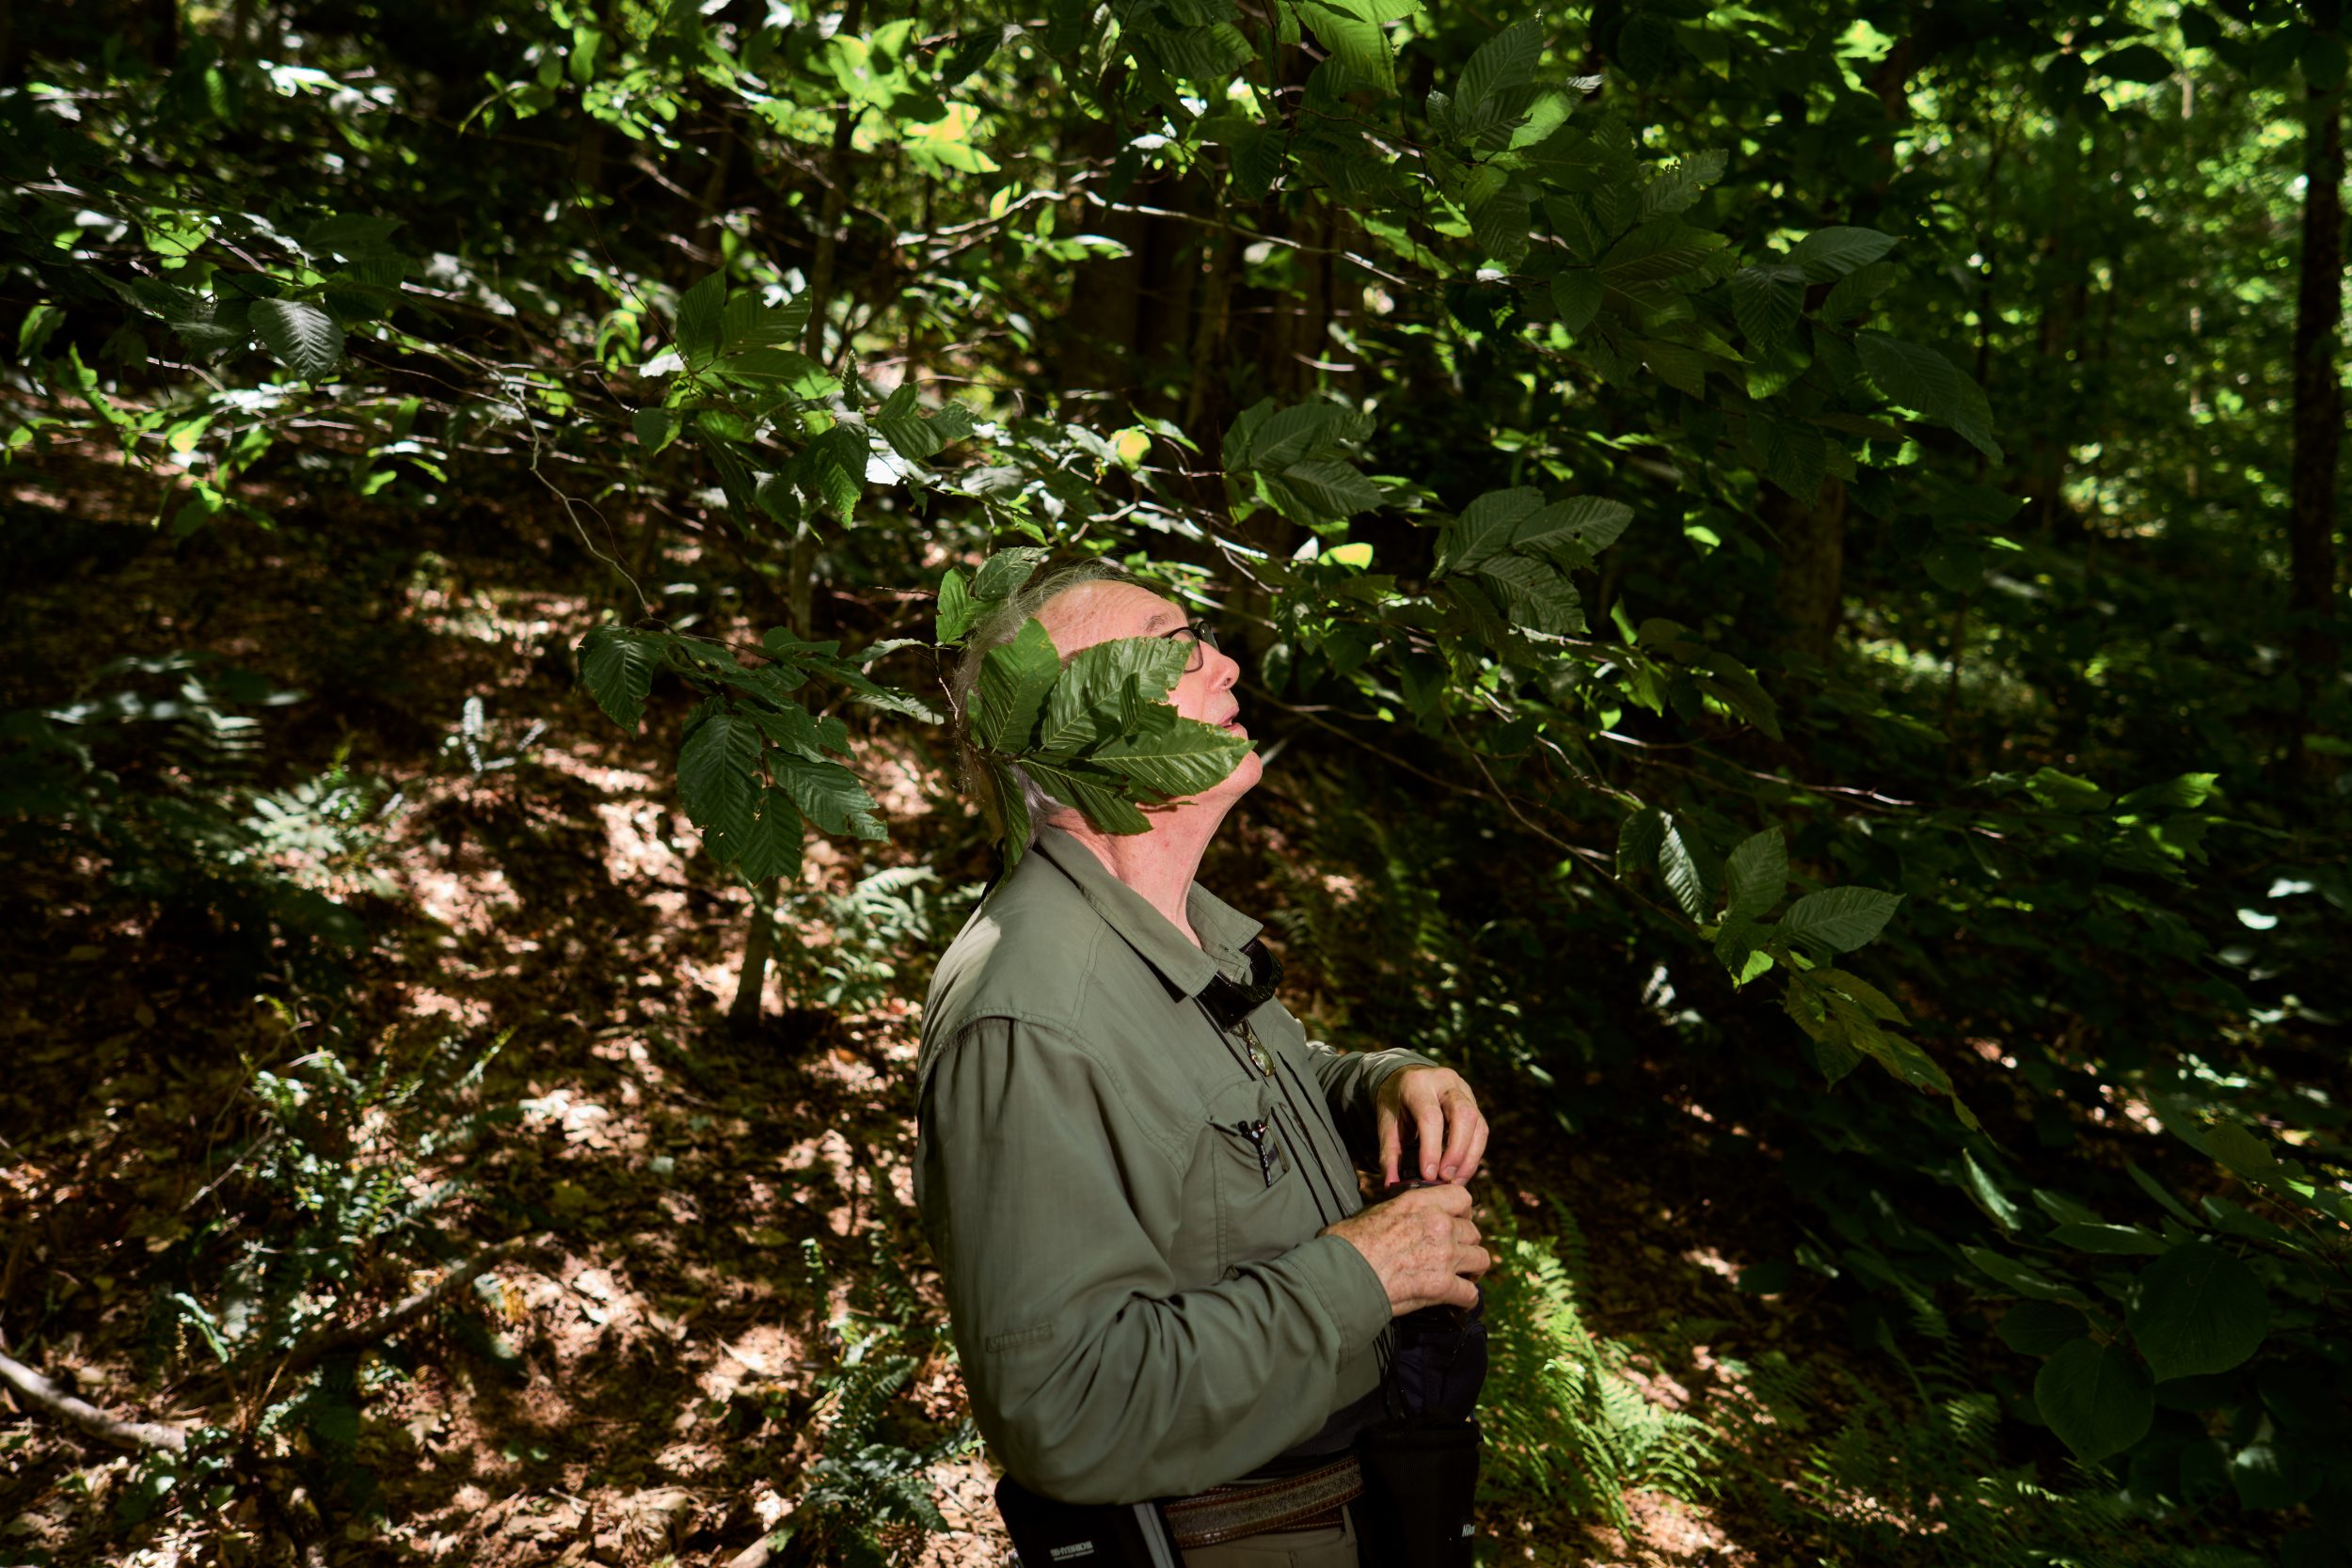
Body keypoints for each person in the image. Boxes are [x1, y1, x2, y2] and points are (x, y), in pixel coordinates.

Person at [914, 564, 1493, 1567]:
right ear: (1075, 724)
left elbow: (1206, 1107)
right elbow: (1065, 1408)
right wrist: (1364, 1272)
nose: (1224, 662)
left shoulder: (1165, 937)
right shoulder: (1033, 1012)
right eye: (1172, 643)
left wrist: (1378, 1085)